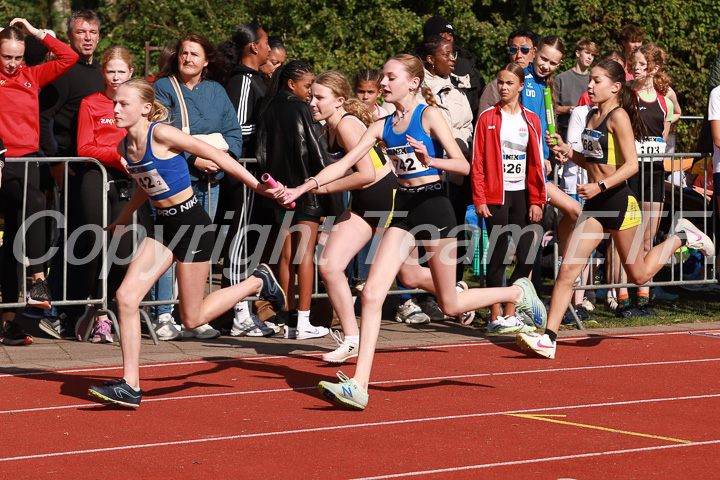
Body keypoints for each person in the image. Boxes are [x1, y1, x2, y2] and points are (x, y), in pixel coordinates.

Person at [284, 54, 546, 410]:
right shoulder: (382, 125)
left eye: (391, 77)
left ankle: (518, 290)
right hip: (404, 208)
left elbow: (463, 165)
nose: (384, 83)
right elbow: (345, 165)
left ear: (411, 82)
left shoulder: (429, 115)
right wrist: (302, 189)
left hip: (434, 206)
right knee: (373, 293)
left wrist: (431, 160)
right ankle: (359, 385)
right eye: (383, 78)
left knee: (449, 303)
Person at [87, 79, 287, 407]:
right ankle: (130, 385)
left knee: (192, 319)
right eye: (115, 103)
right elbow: (145, 185)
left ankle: (257, 282)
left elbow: (214, 154)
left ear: (146, 109)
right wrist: (123, 216)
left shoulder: (162, 134)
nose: (116, 109)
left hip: (192, 225)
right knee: (125, 297)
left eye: (124, 104)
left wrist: (256, 185)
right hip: (165, 228)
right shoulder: (125, 148)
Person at [517, 59, 715, 360]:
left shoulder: (618, 116)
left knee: (637, 275)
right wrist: (568, 151)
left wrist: (600, 186)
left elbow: (631, 165)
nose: (590, 85)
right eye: (590, 80)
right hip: (595, 206)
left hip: (619, 202)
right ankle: (549, 338)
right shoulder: (592, 116)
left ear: (615, 86)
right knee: (568, 268)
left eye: (597, 81)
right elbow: (593, 161)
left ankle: (681, 237)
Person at [154, 33, 244, 339]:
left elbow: (233, 133)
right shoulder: (164, 87)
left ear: (206, 61)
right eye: (183, 53)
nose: (187, 58)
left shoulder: (217, 91)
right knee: (170, 247)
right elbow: (161, 131)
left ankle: (193, 313)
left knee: (198, 249)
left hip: (212, 182)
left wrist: (222, 159)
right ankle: (163, 313)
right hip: (175, 182)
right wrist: (195, 158)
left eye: (194, 54)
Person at [302, 70, 397, 361]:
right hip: (364, 203)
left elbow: (366, 174)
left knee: (410, 274)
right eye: (311, 96)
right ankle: (352, 338)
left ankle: (462, 294)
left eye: (319, 97)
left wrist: (324, 187)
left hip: (386, 198)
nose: (313, 103)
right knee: (330, 266)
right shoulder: (330, 126)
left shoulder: (346, 124)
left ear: (339, 100)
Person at [56, 46, 146, 343]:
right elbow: (84, 147)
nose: (116, 77)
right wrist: (116, 156)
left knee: (124, 250)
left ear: (131, 73)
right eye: (110, 71)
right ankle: (96, 314)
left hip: (130, 180)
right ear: (102, 72)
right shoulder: (90, 103)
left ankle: (113, 308)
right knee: (97, 242)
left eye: (122, 71)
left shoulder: (135, 101)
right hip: (96, 176)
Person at [0, 18, 77, 346]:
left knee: (13, 244)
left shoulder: (32, 75)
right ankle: (38, 278)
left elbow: (68, 57)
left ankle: (8, 322)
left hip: (31, 162)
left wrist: (35, 33)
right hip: (4, 165)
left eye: (18, 56)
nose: (14, 64)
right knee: (31, 204)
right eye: (7, 57)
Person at [256, 60, 343, 340]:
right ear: (291, 84)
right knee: (304, 255)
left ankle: (289, 319)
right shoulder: (303, 110)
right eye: (308, 86)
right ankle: (303, 321)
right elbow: (318, 153)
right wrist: (332, 199)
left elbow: (261, 153)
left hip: (279, 191)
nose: (310, 93)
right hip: (306, 191)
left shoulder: (267, 110)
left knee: (286, 255)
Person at [38, 9, 105, 331]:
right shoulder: (63, 73)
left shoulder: (99, 72)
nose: (88, 37)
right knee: (70, 242)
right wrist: (55, 163)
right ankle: (56, 312)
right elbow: (43, 118)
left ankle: (78, 310)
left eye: (92, 32)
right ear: (70, 36)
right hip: (71, 169)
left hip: (94, 171)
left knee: (87, 242)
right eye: (81, 32)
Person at [472, 64, 547, 333]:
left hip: (524, 195)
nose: (503, 87)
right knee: (498, 255)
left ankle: (510, 311)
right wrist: (479, 198)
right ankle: (494, 316)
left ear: (520, 87)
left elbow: (537, 163)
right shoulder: (487, 118)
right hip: (495, 195)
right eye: (500, 82)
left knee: (527, 255)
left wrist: (538, 200)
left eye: (509, 83)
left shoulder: (531, 120)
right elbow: (477, 161)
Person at [222, 23, 276, 337]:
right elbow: (237, 129)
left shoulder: (258, 79)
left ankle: (244, 309)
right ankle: (239, 314)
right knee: (238, 241)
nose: (269, 48)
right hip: (242, 172)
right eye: (266, 42)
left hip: (255, 174)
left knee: (249, 240)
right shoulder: (242, 80)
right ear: (253, 47)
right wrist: (267, 139)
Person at [617, 43, 675, 317]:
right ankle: (621, 295)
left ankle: (643, 296)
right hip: (631, 173)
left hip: (654, 173)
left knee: (648, 236)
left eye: (642, 64)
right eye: (634, 64)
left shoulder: (665, 99)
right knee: (626, 236)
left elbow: (663, 135)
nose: (637, 69)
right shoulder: (627, 96)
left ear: (655, 68)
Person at [422, 15, 484, 121]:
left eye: (450, 34)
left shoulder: (467, 67)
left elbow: (476, 111)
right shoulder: (410, 69)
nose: (448, 37)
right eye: (441, 34)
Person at [478, 29, 538, 114]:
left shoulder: (542, 84)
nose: (518, 55)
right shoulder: (494, 87)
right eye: (513, 50)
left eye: (524, 50)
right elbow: (483, 121)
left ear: (534, 52)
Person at [555, 39, 599, 139]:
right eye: (587, 53)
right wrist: (568, 109)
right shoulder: (561, 78)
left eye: (593, 55)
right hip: (567, 130)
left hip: (591, 130)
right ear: (578, 53)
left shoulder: (595, 80)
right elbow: (552, 107)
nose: (590, 57)